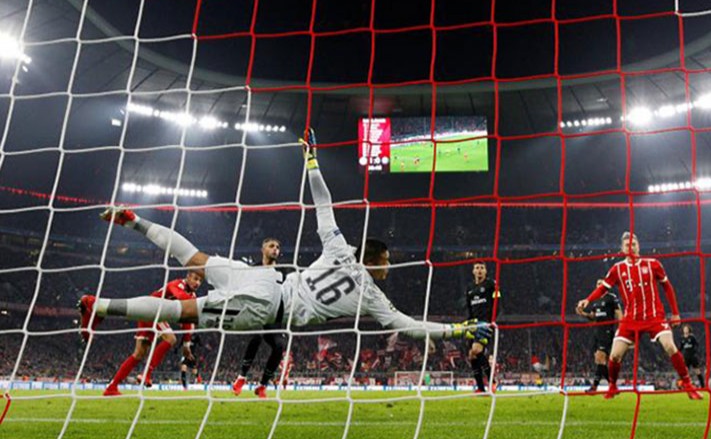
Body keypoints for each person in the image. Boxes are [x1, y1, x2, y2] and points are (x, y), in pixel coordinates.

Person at [79, 130, 490, 359]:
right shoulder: (373, 298)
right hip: (265, 306)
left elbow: (322, 202)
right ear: (379, 260)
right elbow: (412, 328)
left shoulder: (338, 247)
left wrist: (312, 159)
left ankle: (135, 221)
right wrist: (459, 328)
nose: (387, 269)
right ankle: (97, 305)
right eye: (387, 263)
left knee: (195, 257)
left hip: (266, 277)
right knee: (179, 311)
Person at [576, 231, 702, 400]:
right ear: (622, 249)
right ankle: (612, 386)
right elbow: (603, 288)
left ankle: (688, 385)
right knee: (614, 355)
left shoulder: (653, 264)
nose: (631, 248)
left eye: (634, 244)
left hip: (654, 316)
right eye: (627, 245)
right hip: (631, 319)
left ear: (638, 246)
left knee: (670, 346)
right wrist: (588, 299)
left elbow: (667, 287)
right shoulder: (617, 269)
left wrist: (675, 313)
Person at [102, 271, 202, 396]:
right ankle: (146, 374)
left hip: (149, 315)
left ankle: (112, 387)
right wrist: (198, 306)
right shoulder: (176, 285)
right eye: (195, 279)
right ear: (188, 277)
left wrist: (187, 345)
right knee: (171, 339)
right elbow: (181, 298)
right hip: (151, 311)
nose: (197, 283)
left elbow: (187, 322)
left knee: (138, 354)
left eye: (200, 281)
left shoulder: (191, 296)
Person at [231, 237, 287, 399]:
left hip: (273, 315)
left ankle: (262, 386)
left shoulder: (282, 271)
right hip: (255, 312)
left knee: (279, 346)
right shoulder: (253, 269)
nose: (275, 249)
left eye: (277, 246)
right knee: (257, 336)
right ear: (263, 250)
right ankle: (241, 378)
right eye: (271, 246)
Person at [576, 282, 622, 393]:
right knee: (599, 360)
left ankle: (595, 387)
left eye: (601, 284)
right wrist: (583, 313)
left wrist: (621, 329)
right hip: (597, 331)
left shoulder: (611, 297)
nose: (598, 285)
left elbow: (619, 313)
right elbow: (593, 317)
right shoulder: (595, 300)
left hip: (607, 330)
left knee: (601, 357)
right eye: (597, 284)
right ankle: (612, 385)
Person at [465, 261, 500, 393]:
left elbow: (498, 303)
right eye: (477, 268)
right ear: (473, 271)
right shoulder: (469, 288)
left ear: (485, 271)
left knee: (476, 350)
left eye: (482, 268)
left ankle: (493, 381)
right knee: (472, 355)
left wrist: (494, 321)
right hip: (473, 324)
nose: (479, 270)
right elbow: (469, 307)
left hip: (485, 323)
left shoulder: (491, 284)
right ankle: (480, 388)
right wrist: (468, 323)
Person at [680, 324, 704, 389]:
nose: (685, 330)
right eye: (684, 329)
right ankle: (684, 386)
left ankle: (703, 386)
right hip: (686, 357)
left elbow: (697, 344)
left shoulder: (692, 337)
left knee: (697, 371)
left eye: (686, 329)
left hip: (693, 357)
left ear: (689, 330)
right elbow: (681, 347)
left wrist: (694, 351)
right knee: (685, 372)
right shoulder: (682, 338)